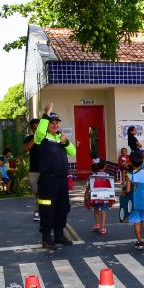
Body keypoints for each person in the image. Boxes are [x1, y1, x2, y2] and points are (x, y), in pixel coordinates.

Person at [35, 103, 77, 249]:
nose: (54, 125)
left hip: (62, 181)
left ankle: (59, 236)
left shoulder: (61, 137)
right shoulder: (41, 137)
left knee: (63, 208)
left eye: (56, 123)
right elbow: (40, 130)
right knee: (47, 209)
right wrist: (46, 113)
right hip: (47, 181)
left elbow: (73, 152)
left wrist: (66, 143)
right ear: (46, 124)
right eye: (51, 123)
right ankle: (46, 238)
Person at [124, 150, 144, 250]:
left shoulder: (130, 175)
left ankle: (140, 241)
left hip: (135, 202)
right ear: (142, 162)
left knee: (136, 221)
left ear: (131, 163)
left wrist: (124, 192)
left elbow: (128, 190)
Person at [85, 160, 110, 234]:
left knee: (96, 209)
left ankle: (97, 224)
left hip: (95, 195)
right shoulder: (107, 175)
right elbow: (110, 185)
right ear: (104, 167)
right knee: (104, 210)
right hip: (105, 195)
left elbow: (89, 186)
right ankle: (103, 227)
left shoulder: (93, 176)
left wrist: (86, 193)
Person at [24, 118, 41, 221]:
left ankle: (37, 211)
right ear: (32, 129)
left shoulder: (46, 138)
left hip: (45, 170)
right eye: (35, 129)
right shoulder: (29, 138)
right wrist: (35, 136)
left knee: (41, 192)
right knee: (36, 191)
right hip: (33, 170)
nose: (37, 130)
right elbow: (26, 149)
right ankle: (39, 209)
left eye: (38, 128)